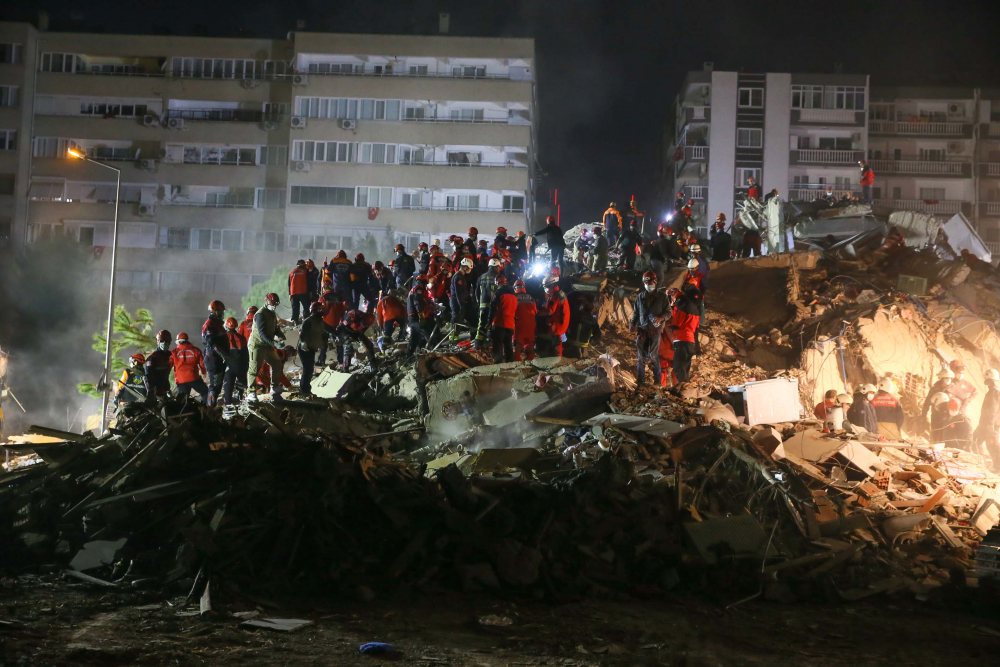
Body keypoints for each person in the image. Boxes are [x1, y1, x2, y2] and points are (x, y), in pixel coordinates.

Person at [246, 293, 291, 403]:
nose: (274, 306)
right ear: (267, 302)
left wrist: (280, 335)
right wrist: (274, 343)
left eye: (275, 304)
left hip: (267, 344)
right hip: (257, 345)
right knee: (254, 369)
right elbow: (262, 334)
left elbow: (275, 328)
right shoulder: (260, 314)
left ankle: (274, 387)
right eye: (272, 304)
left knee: (277, 364)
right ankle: (251, 392)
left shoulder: (272, 313)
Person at [629, 271, 668, 387]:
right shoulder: (640, 297)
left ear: (655, 282)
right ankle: (640, 381)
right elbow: (636, 313)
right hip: (642, 330)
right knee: (641, 357)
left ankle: (657, 381)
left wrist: (660, 318)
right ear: (643, 283)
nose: (649, 285)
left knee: (653, 356)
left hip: (655, 332)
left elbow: (668, 313)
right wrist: (632, 323)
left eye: (651, 282)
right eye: (647, 283)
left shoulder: (662, 297)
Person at [201, 299, 232, 407]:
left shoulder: (217, 324)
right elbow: (212, 343)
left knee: (217, 386)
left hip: (218, 359)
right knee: (214, 386)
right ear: (215, 312)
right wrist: (223, 354)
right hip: (214, 359)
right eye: (221, 312)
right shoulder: (210, 325)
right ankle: (210, 410)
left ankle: (212, 408)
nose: (223, 314)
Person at [669, 284, 701, 383]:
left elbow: (676, 324)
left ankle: (684, 389)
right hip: (690, 342)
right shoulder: (695, 309)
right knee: (685, 369)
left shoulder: (683, 308)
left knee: (678, 367)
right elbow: (696, 329)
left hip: (682, 340)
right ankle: (687, 391)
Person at [298, 302, 331, 395]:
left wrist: (339, 333)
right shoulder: (308, 321)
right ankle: (304, 390)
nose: (322, 312)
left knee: (309, 369)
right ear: (314, 311)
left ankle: (306, 389)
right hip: (305, 349)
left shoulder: (320, 321)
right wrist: (303, 343)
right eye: (320, 310)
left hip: (311, 349)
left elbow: (329, 329)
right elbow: (302, 334)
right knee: (307, 369)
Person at [536, 276, 570, 357]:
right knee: (557, 341)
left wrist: (537, 313)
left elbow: (549, 311)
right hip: (561, 321)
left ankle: (557, 358)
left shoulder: (555, 296)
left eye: (545, 287)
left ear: (549, 286)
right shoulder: (559, 292)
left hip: (557, 324)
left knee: (556, 343)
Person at [488, 274, 518, 363]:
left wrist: (489, 322)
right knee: (508, 345)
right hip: (510, 324)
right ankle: (510, 364)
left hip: (499, 323)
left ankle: (498, 364)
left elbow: (492, 308)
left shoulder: (498, 293)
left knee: (498, 345)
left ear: (497, 283)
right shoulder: (514, 294)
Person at [172, 332, 209, 401]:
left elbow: (168, 365)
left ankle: (185, 411)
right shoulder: (196, 350)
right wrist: (204, 373)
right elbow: (202, 364)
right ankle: (206, 407)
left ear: (179, 341)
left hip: (181, 380)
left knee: (182, 400)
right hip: (193, 378)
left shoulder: (174, 352)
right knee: (205, 391)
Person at [975, 369, 1000, 463]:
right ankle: (980, 462)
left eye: (989, 381)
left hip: (990, 424)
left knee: (992, 445)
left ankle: (998, 467)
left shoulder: (994, 392)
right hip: (986, 423)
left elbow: (993, 409)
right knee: (976, 441)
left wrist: (990, 424)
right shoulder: (992, 391)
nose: (988, 384)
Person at [475, 258, 502, 347]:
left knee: (481, 323)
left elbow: (476, 292)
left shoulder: (481, 277)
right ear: (497, 267)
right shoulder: (498, 277)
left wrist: (479, 303)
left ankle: (478, 344)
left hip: (482, 305)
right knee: (493, 323)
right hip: (493, 305)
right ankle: (491, 343)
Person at [449, 257, 476, 342]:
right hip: (457, 303)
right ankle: (453, 339)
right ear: (465, 267)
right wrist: (461, 305)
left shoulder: (462, 276)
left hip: (461, 302)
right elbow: (458, 293)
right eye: (469, 268)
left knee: (470, 319)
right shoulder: (458, 277)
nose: (470, 270)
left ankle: (473, 336)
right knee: (456, 320)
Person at [222, 317, 247, 406]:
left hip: (228, 366)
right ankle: (241, 400)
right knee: (242, 382)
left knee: (228, 385)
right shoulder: (241, 338)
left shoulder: (223, 338)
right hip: (240, 365)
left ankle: (227, 404)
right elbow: (245, 353)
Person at [144, 330, 173, 402]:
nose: (164, 343)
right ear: (158, 342)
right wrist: (151, 392)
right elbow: (147, 376)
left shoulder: (169, 356)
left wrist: (168, 389)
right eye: (162, 341)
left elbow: (165, 375)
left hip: (164, 388)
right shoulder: (152, 357)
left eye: (166, 341)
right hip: (154, 390)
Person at [318, 292, 346, 367]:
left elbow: (320, 310)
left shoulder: (323, 298)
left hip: (326, 323)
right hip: (336, 323)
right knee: (339, 342)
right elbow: (343, 311)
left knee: (323, 343)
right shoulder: (339, 297)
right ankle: (341, 361)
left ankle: (321, 360)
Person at [407, 282, 436, 354]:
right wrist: (421, 315)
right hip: (415, 316)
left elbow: (424, 301)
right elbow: (417, 303)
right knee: (426, 331)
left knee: (414, 336)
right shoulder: (418, 289)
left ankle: (409, 354)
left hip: (412, 316)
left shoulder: (414, 290)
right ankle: (433, 347)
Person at [513, 279, 537, 361]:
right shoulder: (531, 298)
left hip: (519, 324)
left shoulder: (514, 297)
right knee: (530, 345)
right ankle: (532, 364)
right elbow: (535, 311)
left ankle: (517, 364)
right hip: (531, 325)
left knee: (518, 346)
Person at [288, 259, 311, 323]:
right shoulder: (305, 271)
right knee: (306, 306)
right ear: (302, 264)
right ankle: (307, 319)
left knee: (295, 307)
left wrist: (289, 294)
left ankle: (295, 320)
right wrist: (310, 292)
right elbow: (308, 282)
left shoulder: (291, 272)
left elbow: (289, 284)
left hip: (293, 292)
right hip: (303, 292)